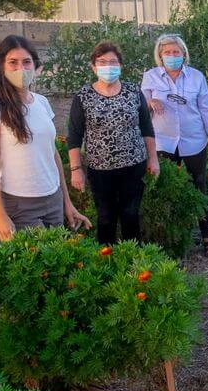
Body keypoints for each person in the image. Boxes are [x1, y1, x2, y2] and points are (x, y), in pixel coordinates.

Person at [0, 35, 90, 241]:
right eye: (13, 62)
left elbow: (51, 153)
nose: (21, 68)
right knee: (35, 267)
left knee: (55, 263)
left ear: (35, 66)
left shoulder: (42, 103)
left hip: (52, 199)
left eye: (27, 62)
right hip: (20, 205)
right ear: (1, 67)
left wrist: (66, 202)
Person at [68, 40, 160, 244]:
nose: (108, 66)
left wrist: (153, 159)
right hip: (100, 170)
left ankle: (134, 265)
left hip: (133, 166)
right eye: (102, 62)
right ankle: (106, 264)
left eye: (113, 62)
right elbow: (74, 136)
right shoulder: (83, 96)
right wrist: (76, 169)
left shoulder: (133, 91)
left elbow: (147, 128)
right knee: (106, 218)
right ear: (93, 67)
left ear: (120, 66)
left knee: (131, 216)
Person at [141, 33, 208, 242]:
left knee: (199, 185)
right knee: (166, 187)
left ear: (183, 53)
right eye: (167, 52)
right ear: (160, 55)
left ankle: (207, 237)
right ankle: (171, 237)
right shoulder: (150, 76)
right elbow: (141, 105)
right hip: (163, 141)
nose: (172, 55)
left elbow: (206, 108)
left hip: (193, 141)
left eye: (175, 51)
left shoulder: (196, 77)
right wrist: (150, 103)